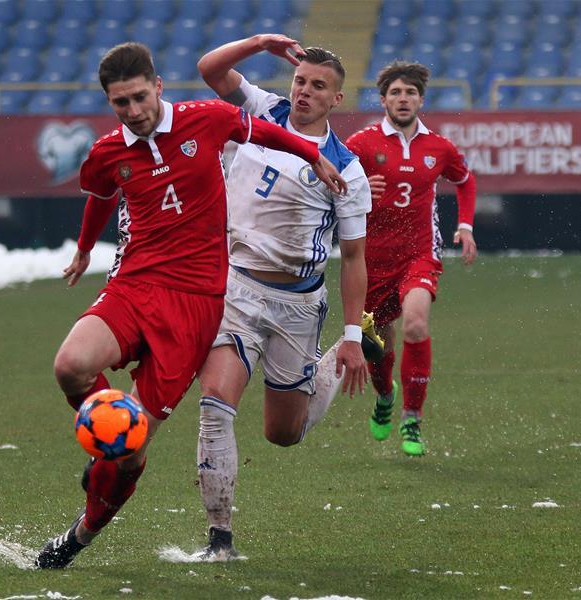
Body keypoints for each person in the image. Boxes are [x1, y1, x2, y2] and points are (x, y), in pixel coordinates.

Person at [34, 42, 347, 569]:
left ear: (158, 86)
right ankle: (107, 426)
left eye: (138, 98)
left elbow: (265, 131)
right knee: (70, 366)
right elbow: (103, 192)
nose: (132, 112)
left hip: (198, 304)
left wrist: (312, 154)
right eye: (119, 104)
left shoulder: (207, 119)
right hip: (136, 284)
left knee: (131, 451)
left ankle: (79, 537)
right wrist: (87, 245)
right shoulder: (110, 150)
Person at [191, 33, 373, 561]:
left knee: (282, 435)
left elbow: (355, 257)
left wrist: (354, 335)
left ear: (337, 99)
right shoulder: (261, 110)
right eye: (300, 81)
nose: (305, 91)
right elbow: (210, 68)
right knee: (214, 405)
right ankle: (219, 539)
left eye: (319, 86)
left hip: (298, 304)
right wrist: (262, 42)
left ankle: (335, 362)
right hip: (237, 288)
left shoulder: (346, 166)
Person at [345, 61, 478, 457]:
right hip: (370, 260)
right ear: (383, 98)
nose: (403, 99)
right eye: (396, 93)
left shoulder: (439, 147)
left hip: (419, 253)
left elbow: (465, 180)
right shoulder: (361, 143)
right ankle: (385, 396)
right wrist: (359, 187)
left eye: (411, 93)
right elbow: (332, 183)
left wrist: (466, 226)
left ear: (421, 99)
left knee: (416, 325)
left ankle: (412, 418)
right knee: (378, 346)